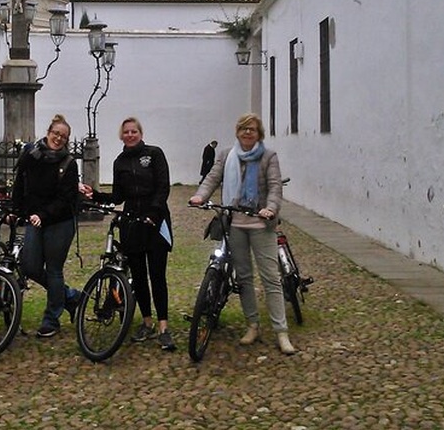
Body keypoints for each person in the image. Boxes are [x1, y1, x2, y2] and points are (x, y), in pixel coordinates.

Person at [188, 113, 296, 355]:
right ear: (237, 132)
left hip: (260, 224)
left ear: (259, 134)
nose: (248, 133)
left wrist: (270, 208)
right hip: (235, 223)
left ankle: (281, 332)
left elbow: (275, 186)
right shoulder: (227, 155)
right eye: (244, 129)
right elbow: (212, 178)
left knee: (270, 278)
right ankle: (253, 325)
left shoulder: (268, 156)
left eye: (253, 130)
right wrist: (200, 196)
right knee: (244, 277)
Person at [80, 117, 176, 351]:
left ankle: (164, 325)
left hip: (155, 222)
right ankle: (147, 322)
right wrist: (96, 195)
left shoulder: (154, 154)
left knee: (157, 275)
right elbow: (118, 196)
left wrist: (153, 214)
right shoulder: (120, 161)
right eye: (127, 132)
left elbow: (163, 187)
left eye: (134, 131)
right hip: (131, 223)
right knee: (140, 278)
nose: (131, 135)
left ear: (140, 133)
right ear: (121, 136)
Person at [12, 114, 81, 338]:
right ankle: (70, 296)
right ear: (48, 132)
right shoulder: (30, 154)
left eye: (63, 136)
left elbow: (66, 198)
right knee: (29, 266)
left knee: (53, 269)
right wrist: (16, 211)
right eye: (56, 134)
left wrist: (43, 214)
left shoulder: (68, 164)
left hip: (59, 221)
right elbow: (20, 183)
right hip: (35, 219)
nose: (58, 138)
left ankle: (51, 319)